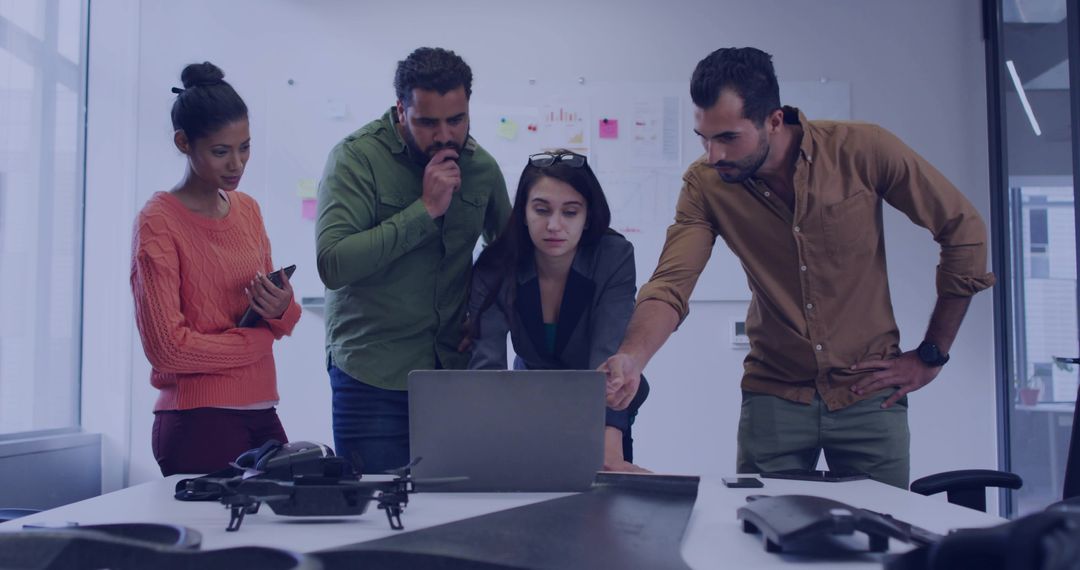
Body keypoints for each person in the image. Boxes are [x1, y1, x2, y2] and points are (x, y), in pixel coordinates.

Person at [600, 47, 995, 489]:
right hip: (774, 394)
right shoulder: (705, 184)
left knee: (881, 544)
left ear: (774, 120)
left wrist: (931, 355)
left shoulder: (862, 150)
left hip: (869, 392)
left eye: (728, 137)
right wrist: (633, 358)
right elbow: (672, 283)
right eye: (704, 138)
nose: (713, 155)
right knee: (761, 539)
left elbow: (964, 230)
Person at [316, 47, 511, 474]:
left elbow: (511, 259)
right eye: (427, 122)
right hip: (372, 377)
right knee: (376, 522)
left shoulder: (482, 169)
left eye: (456, 120)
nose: (444, 135)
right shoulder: (355, 159)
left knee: (456, 517)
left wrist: (481, 313)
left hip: (454, 377)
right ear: (400, 110)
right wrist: (424, 209)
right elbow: (332, 264)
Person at [131, 62, 301, 476]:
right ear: (183, 143)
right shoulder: (159, 221)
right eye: (221, 151)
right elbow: (166, 349)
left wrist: (281, 307)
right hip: (196, 419)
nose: (237, 163)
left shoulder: (248, 210)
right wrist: (254, 344)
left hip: (262, 408)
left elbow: (279, 318)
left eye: (245, 147)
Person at [466, 150, 651, 473]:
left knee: (604, 499)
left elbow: (609, 356)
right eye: (541, 210)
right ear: (522, 212)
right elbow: (486, 368)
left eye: (570, 212)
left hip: (602, 399)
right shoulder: (495, 265)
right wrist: (488, 445)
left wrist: (610, 447)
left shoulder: (614, 256)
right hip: (528, 401)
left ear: (588, 216)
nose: (554, 225)